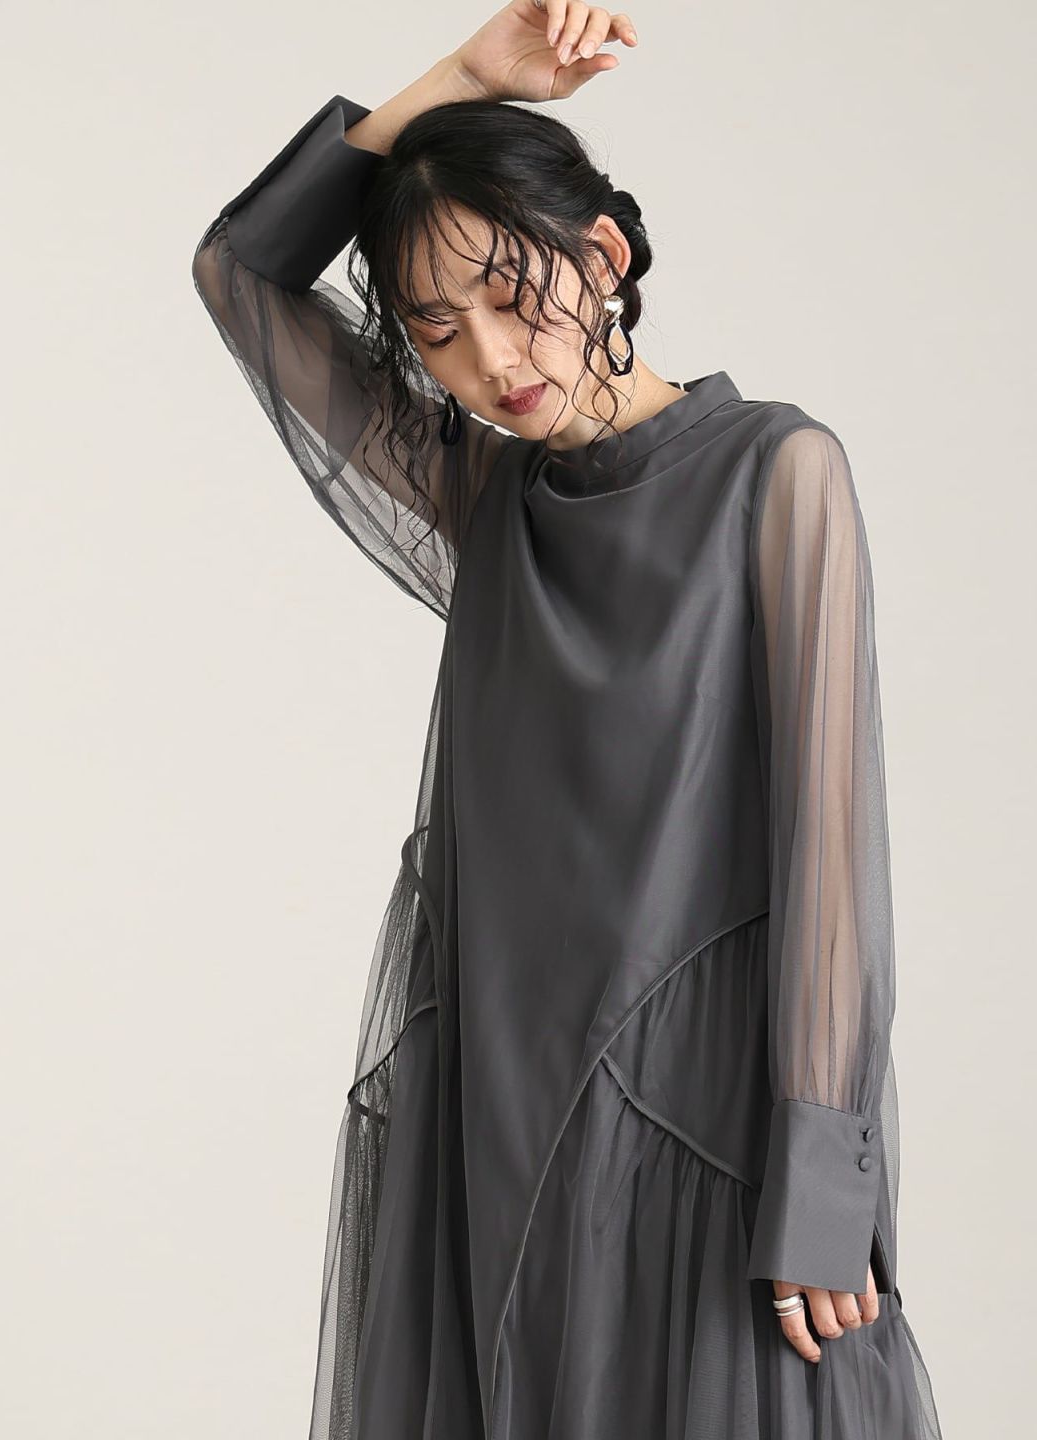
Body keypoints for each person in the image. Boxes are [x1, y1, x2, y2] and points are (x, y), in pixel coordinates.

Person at [190, 4, 945, 1436]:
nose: (489, 359)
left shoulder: (776, 471)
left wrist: (826, 1179)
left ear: (603, 256)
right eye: (435, 329)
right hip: (502, 1105)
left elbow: (830, 848)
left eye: (511, 291)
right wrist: (465, 80)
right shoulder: (488, 495)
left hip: (705, 1114)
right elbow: (240, 275)